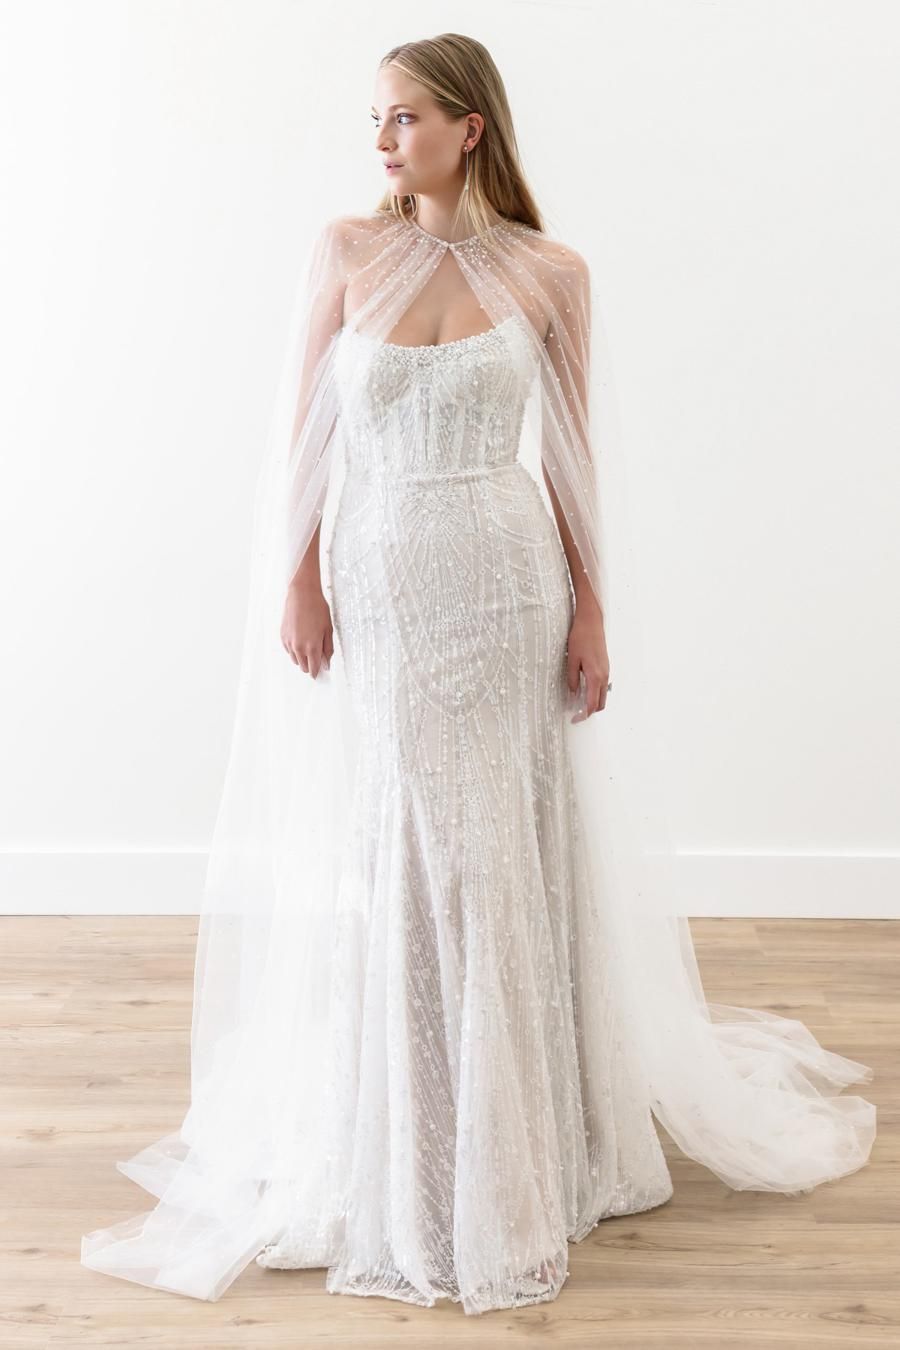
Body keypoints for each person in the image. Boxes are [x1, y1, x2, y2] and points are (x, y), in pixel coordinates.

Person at [81, 33, 876, 1316]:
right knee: (410, 845)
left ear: (471, 128)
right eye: (376, 119)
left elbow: (567, 460)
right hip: (386, 580)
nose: (380, 140)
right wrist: (296, 573)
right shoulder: (345, 251)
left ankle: (520, 1158)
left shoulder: (554, 273)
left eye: (402, 118)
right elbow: (306, 434)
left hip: (508, 583)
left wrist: (596, 610)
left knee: (500, 849)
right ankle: (412, 1148)